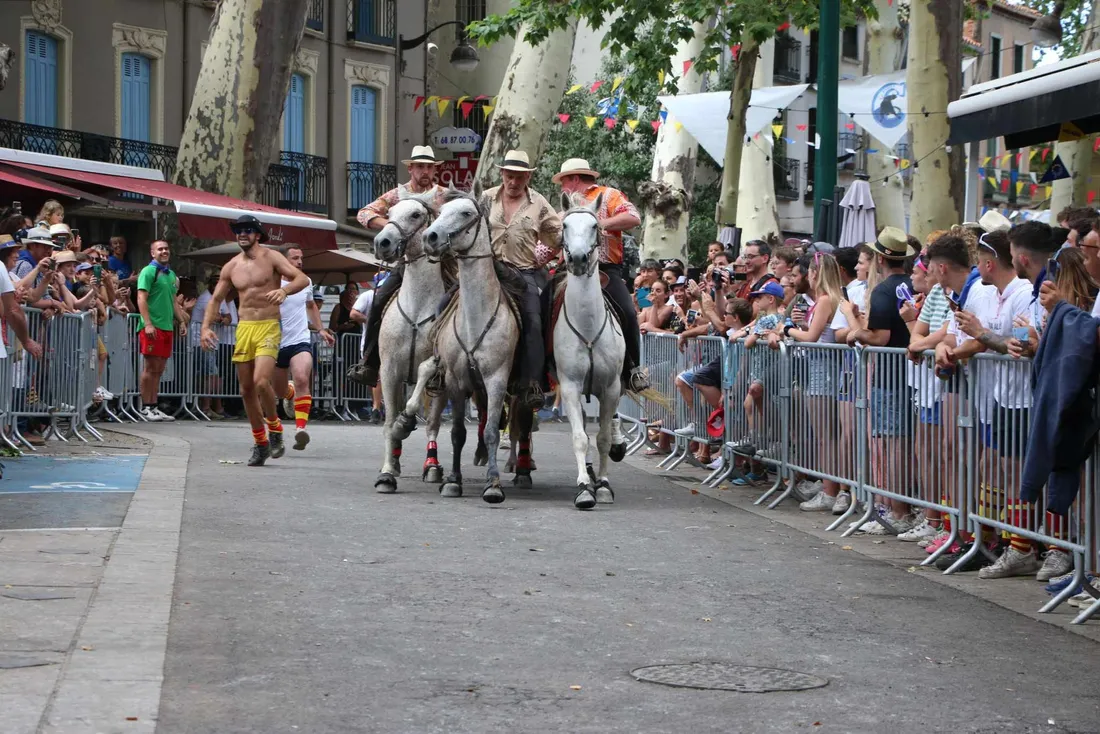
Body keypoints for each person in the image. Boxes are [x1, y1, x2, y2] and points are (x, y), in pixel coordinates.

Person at [201, 215, 310, 466]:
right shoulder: (231, 266)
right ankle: (260, 443)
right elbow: (216, 299)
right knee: (246, 390)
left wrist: (284, 290)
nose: (242, 234)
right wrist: (206, 327)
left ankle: (275, 429)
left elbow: (301, 278)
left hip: (269, 327)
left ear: (258, 234)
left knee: (261, 382)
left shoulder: (271, 257)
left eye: (248, 230)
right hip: (244, 328)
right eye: (239, 230)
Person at [352, 145, 448, 387]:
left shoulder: (443, 195)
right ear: (411, 168)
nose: (425, 171)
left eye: (429, 167)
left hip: (442, 263)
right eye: (420, 166)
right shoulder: (397, 195)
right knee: (378, 302)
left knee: (463, 302)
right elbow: (364, 213)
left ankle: (461, 366)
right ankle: (370, 363)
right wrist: (392, 226)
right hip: (407, 264)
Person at [553, 157, 649, 391]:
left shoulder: (608, 195)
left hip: (605, 269)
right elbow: (551, 242)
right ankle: (542, 371)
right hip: (568, 271)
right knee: (541, 307)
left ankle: (633, 370)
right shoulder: (565, 208)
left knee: (627, 310)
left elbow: (633, 217)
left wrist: (599, 223)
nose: (562, 188)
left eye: (563, 182)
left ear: (575, 179)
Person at [479, 149, 563, 407]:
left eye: (519, 177)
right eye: (509, 176)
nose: (513, 182)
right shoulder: (485, 198)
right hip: (486, 271)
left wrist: (546, 256)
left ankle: (533, 383)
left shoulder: (539, 203)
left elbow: (557, 237)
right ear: (501, 173)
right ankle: (441, 368)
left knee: (534, 323)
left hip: (522, 273)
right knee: (444, 306)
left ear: (528, 177)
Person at [847, 226, 917, 534]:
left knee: (891, 443)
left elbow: (881, 336)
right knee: (896, 443)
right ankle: (897, 508)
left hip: (891, 376)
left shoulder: (884, 290)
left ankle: (897, 511)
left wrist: (856, 329)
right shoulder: (910, 284)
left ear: (879, 259)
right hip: (909, 374)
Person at [274, 245, 335, 451]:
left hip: (300, 340)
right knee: (279, 390)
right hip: (275, 343)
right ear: (283, 261)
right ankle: (289, 393)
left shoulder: (306, 282)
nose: (300, 262)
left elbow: (311, 306)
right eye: (294, 258)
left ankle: (301, 429)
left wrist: (321, 330)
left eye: (301, 258)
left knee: (302, 377)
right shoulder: (272, 282)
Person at [136, 241, 190, 422]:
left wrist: (181, 321)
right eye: (160, 249)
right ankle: (145, 408)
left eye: (166, 248)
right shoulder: (148, 271)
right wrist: (148, 323)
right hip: (153, 326)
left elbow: (174, 301)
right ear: (152, 253)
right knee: (150, 367)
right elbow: (141, 298)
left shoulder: (171, 274)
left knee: (159, 369)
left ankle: (154, 406)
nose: (164, 251)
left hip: (166, 327)